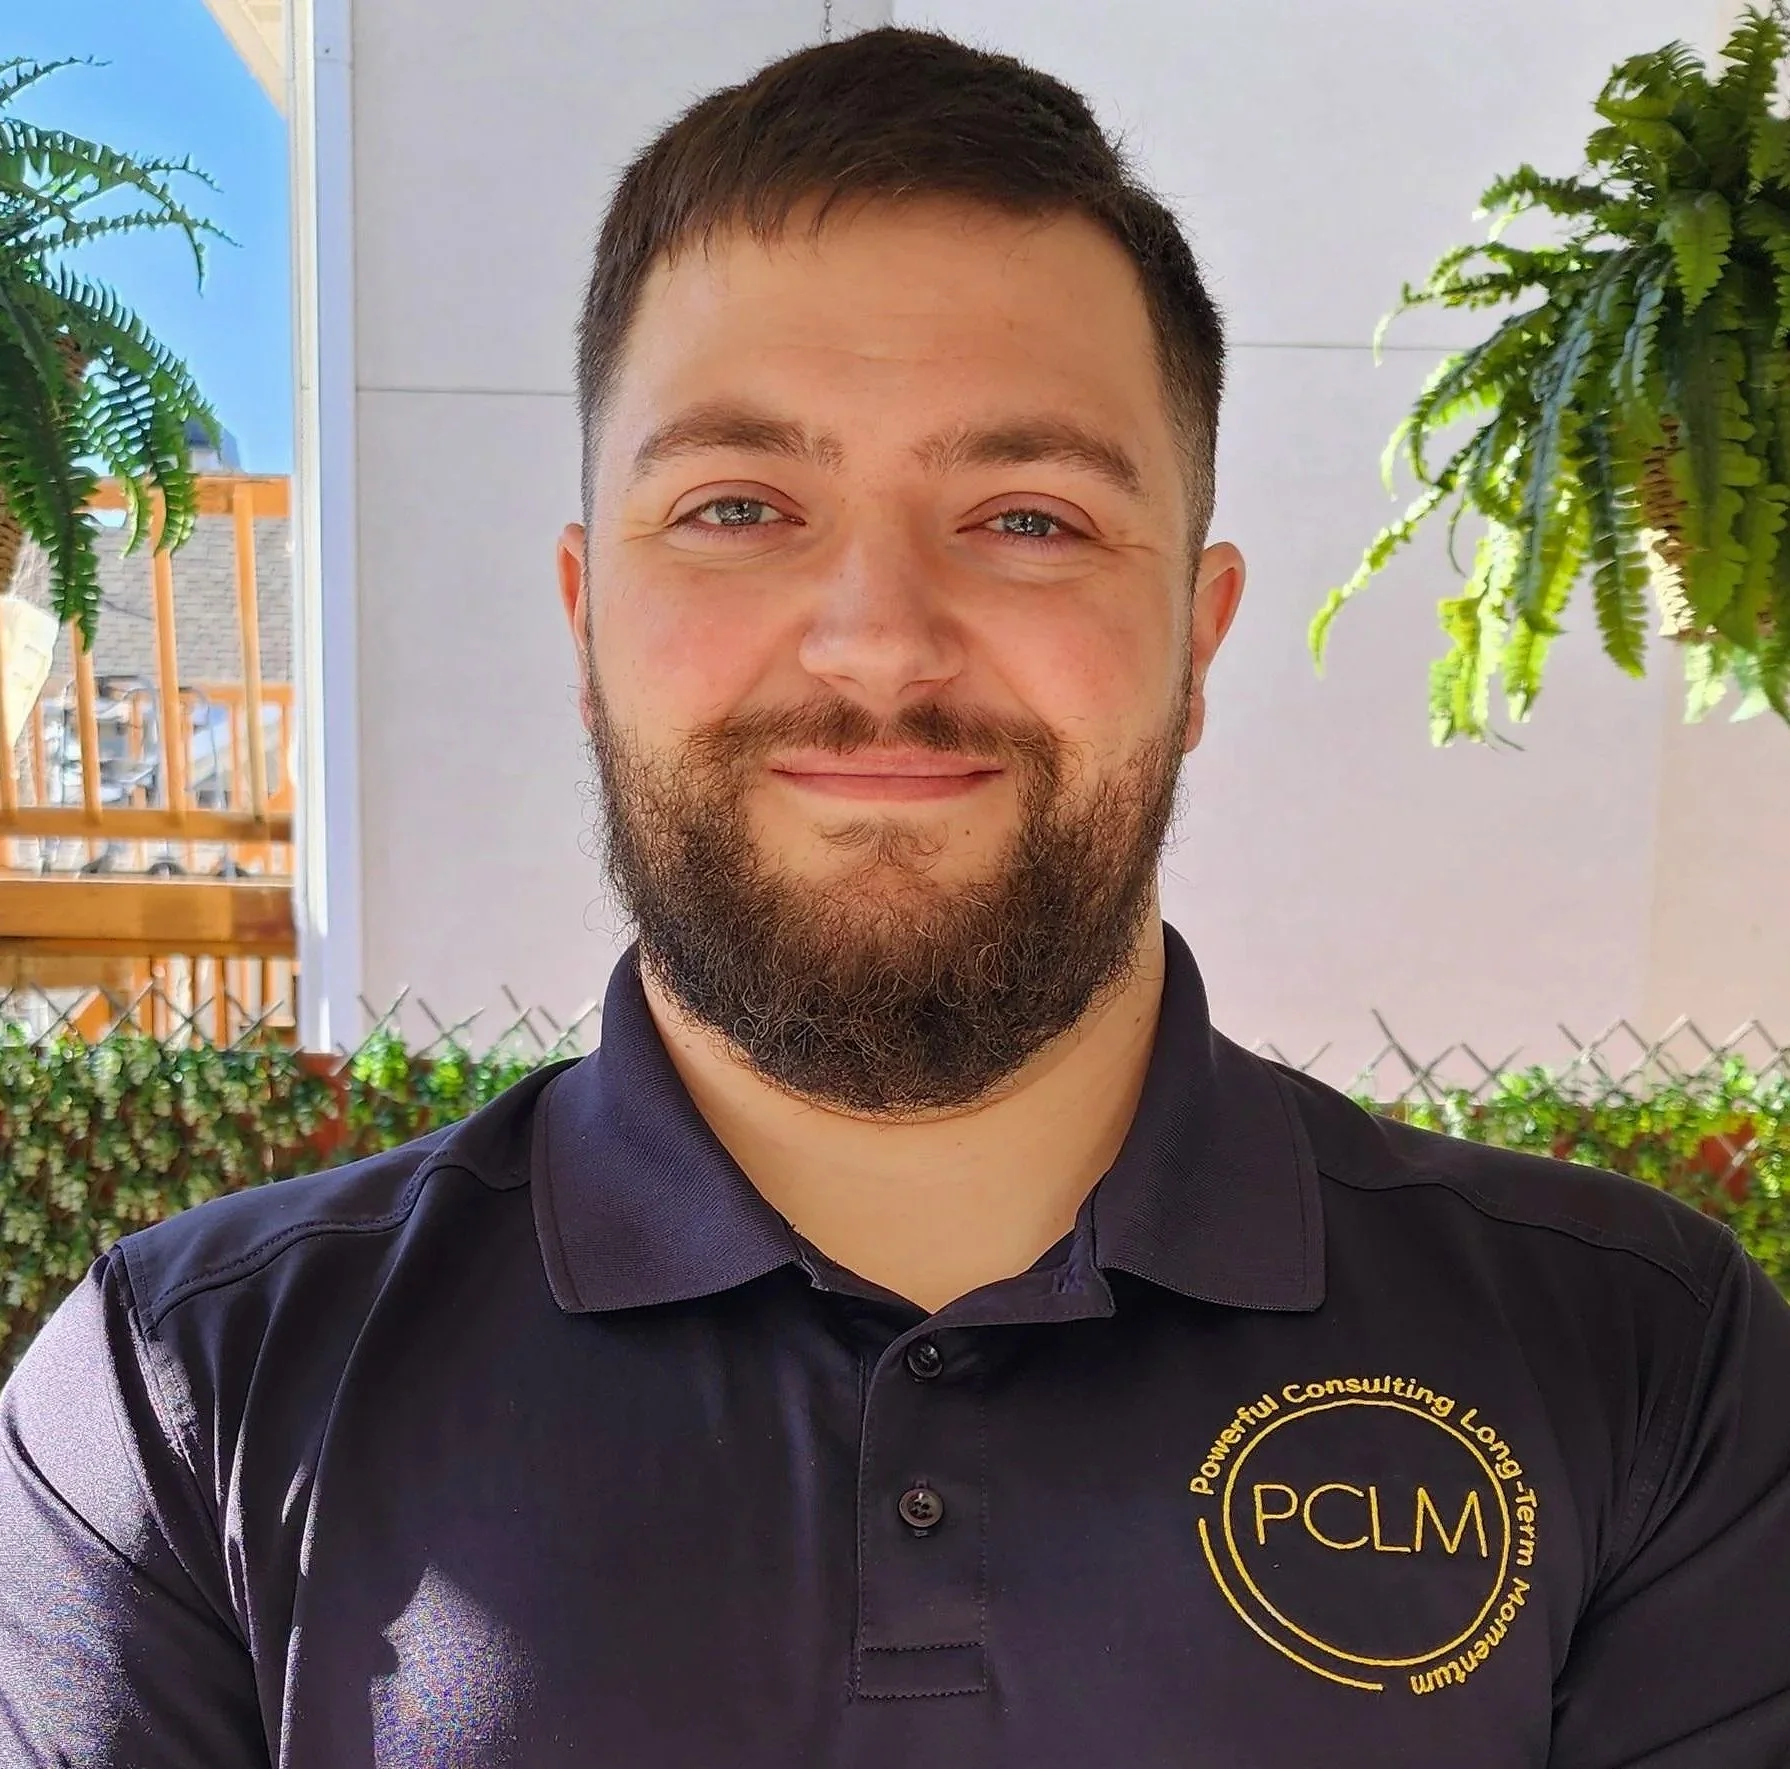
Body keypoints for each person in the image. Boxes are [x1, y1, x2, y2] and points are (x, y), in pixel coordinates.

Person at [2, 26, 1787, 1768]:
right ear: (586, 617)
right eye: (736, 506)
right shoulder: (185, 1400)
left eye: (1027, 518)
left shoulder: (1645, 1362)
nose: (876, 643)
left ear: (1195, 641)